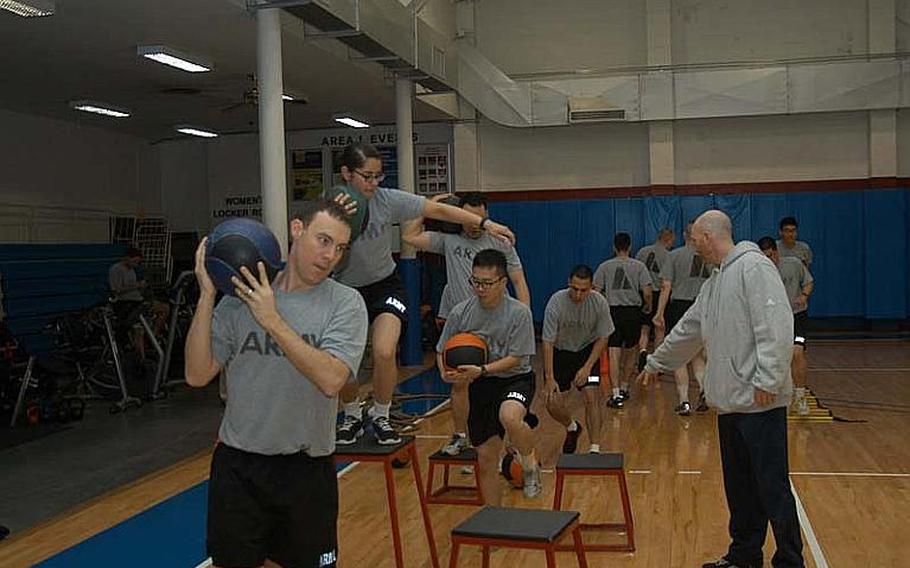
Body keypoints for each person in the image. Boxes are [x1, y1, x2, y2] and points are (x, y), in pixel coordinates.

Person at [185, 199, 368, 568]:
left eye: (340, 248)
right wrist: (207, 295)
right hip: (239, 467)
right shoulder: (240, 299)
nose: (330, 255)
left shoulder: (345, 304)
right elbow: (196, 373)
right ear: (296, 229)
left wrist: (273, 321)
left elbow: (332, 379)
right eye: (323, 240)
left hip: (305, 470)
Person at [639, 210, 804, 568]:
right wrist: (656, 362)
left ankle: (790, 560)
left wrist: (768, 379)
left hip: (761, 402)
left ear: (710, 236)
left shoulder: (754, 268)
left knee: (772, 488)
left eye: (695, 238)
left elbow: (776, 325)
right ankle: (744, 555)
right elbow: (688, 329)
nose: (692, 244)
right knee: (741, 491)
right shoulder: (715, 282)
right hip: (730, 405)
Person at [330, 143, 515, 446]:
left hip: (385, 285)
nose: (374, 183)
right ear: (347, 174)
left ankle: (381, 414)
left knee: (385, 351)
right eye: (367, 176)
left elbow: (437, 209)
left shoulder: (387, 200)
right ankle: (351, 414)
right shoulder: (331, 207)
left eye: (379, 176)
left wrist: (486, 223)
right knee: (346, 361)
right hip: (345, 289)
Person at [402, 191, 530, 456]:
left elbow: (518, 281)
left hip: (499, 322)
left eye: (479, 218)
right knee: (460, 383)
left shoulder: (500, 242)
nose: (474, 223)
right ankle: (461, 436)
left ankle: (509, 443)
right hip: (464, 325)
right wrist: (431, 206)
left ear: (487, 217)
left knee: (499, 382)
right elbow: (409, 237)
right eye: (468, 218)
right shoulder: (448, 242)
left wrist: (523, 316)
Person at [436, 249, 540, 503]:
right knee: (485, 459)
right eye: (475, 282)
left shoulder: (519, 313)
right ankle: (493, 519)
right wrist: (445, 373)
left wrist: (482, 369)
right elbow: (442, 349)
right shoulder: (461, 312)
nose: (480, 288)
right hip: (481, 385)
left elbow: (517, 358)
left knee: (509, 416)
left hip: (515, 379)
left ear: (503, 282)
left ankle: (529, 465)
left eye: (487, 283)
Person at [542, 264, 613, 454]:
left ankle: (594, 448)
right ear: (568, 284)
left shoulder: (599, 303)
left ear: (591, 287)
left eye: (584, 290)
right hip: (560, 352)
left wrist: (588, 367)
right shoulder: (556, 302)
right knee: (551, 401)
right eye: (575, 289)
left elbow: (603, 337)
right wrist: (549, 378)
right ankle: (572, 427)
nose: (579, 294)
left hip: (586, 351)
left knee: (591, 397)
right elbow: (547, 341)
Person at [652, 220, 711, 415]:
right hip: (703, 307)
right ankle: (703, 390)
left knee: (679, 356)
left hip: (679, 306)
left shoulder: (674, 255)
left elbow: (666, 286)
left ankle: (684, 400)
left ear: (685, 235)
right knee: (697, 354)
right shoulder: (709, 257)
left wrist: (660, 312)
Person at [593, 232, 652, 408]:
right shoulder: (639, 266)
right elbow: (647, 291)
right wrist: (647, 306)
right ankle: (626, 386)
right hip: (633, 312)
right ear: (630, 246)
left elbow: (596, 291)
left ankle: (616, 392)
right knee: (632, 350)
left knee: (613, 352)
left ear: (614, 247)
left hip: (612, 312)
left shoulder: (604, 266)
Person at [758, 237, 814, 416]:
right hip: (774, 320)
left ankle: (800, 396)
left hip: (797, 316)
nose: (768, 259)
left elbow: (809, 281)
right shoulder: (760, 271)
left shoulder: (794, 264)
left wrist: (804, 295)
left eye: (769, 255)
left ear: (776, 252)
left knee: (797, 353)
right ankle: (782, 395)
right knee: (777, 357)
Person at [108, 247, 169, 361]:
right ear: (127, 258)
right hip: (126, 303)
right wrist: (136, 286)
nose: (136, 264)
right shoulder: (115, 269)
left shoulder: (131, 270)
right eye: (134, 261)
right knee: (138, 329)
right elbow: (116, 290)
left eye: (137, 262)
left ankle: (153, 335)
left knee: (165, 308)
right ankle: (141, 360)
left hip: (138, 300)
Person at [635, 228, 675, 364]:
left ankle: (642, 352)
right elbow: (668, 281)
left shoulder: (642, 252)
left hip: (643, 293)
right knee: (659, 328)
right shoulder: (668, 256)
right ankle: (657, 359)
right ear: (668, 240)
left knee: (644, 327)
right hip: (659, 294)